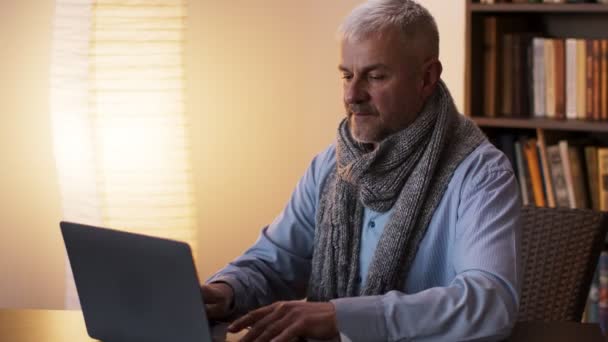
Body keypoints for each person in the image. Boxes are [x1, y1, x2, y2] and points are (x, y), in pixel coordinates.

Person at [201, 0, 521, 341]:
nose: (352, 95)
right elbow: (277, 260)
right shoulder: (330, 165)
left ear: (427, 77)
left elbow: (490, 302)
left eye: (375, 76)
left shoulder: (481, 173)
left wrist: (342, 317)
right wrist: (226, 291)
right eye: (346, 75)